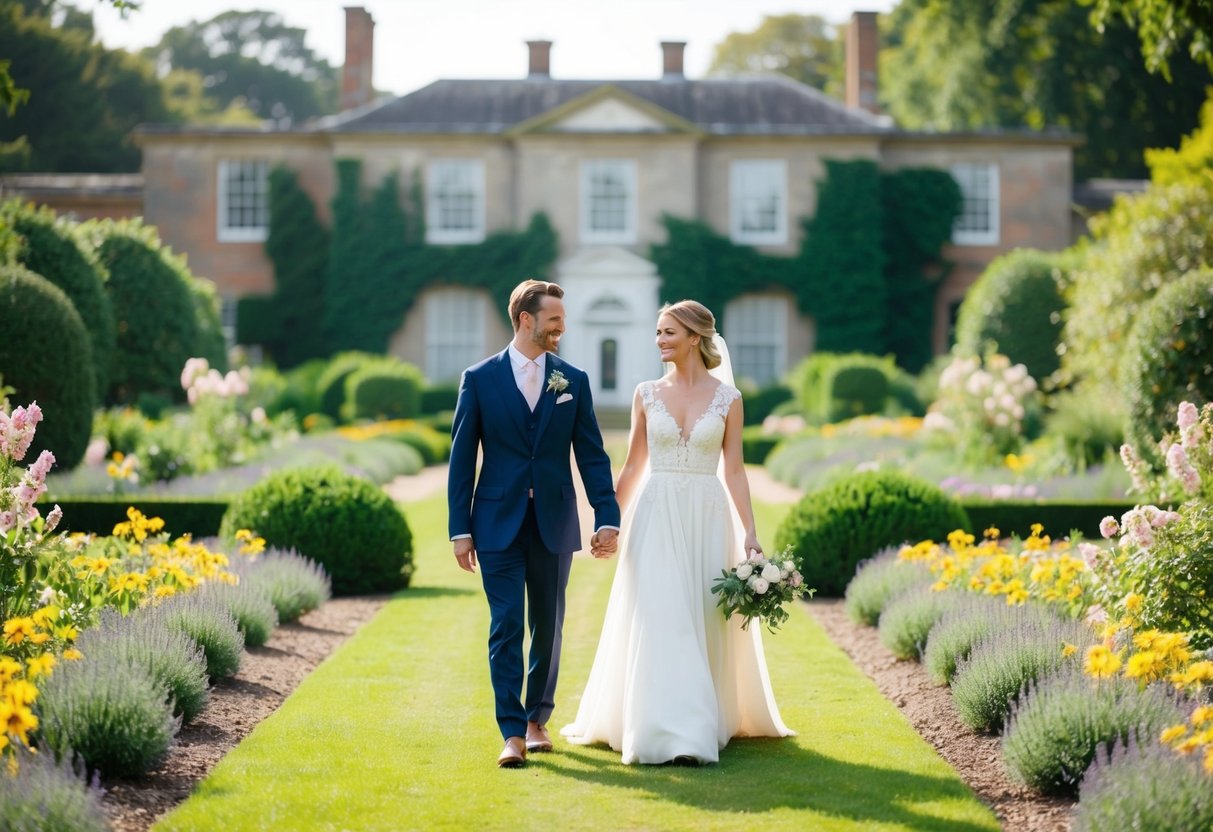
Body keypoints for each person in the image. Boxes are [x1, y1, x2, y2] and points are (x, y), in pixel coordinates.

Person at [562, 299, 794, 765]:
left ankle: (700, 720)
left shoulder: (729, 399)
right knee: (660, 613)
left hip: (708, 514)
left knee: (701, 615)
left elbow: (735, 471)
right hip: (656, 512)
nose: (660, 340)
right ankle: (671, 732)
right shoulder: (646, 392)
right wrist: (608, 520)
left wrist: (749, 530)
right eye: (657, 332)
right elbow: (632, 466)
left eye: (668, 332)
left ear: (694, 336)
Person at [448, 279, 621, 769]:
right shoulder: (478, 379)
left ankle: (537, 719)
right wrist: (459, 529)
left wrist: (606, 514)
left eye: (562, 322)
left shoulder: (573, 380)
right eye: (554, 322)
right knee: (506, 625)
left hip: (553, 520)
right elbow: (462, 459)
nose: (561, 330)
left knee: (548, 624)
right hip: (495, 523)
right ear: (526, 320)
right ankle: (510, 732)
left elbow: (591, 456)